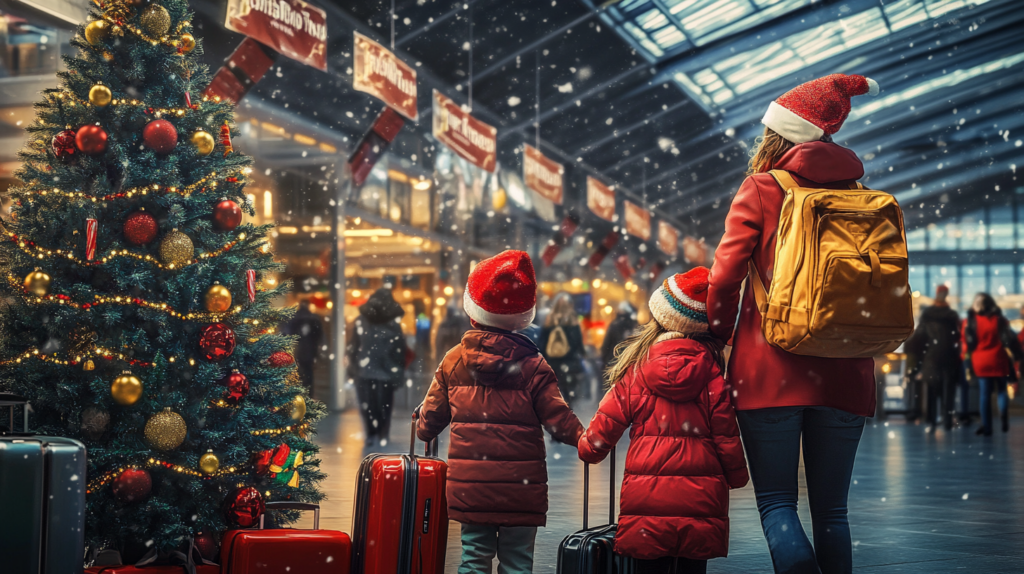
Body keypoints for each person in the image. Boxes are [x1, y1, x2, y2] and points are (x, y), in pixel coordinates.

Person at [706, 74, 880, 574]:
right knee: (833, 512)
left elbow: (724, 278)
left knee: (778, 503)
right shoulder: (862, 195)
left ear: (778, 136)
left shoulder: (762, 188)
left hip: (769, 369)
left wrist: (719, 336)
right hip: (848, 367)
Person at [417, 250, 584, 574]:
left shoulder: (454, 360)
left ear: (473, 312)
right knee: (518, 562)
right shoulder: (534, 364)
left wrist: (423, 426)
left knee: (474, 559)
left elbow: (432, 417)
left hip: (472, 486)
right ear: (522, 317)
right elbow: (558, 418)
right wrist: (585, 440)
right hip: (521, 487)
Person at [578, 268, 749, 574]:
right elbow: (726, 435)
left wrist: (589, 448)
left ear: (659, 318)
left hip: (647, 502)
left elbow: (604, 428)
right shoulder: (712, 374)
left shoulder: (636, 371)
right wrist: (737, 475)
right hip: (701, 501)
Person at [346, 287, 407, 446]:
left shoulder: (361, 321)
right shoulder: (393, 323)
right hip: (386, 370)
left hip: (365, 370)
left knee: (368, 405)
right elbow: (399, 350)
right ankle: (382, 433)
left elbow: (353, 346)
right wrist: (398, 369)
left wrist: (352, 366)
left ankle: (372, 433)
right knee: (384, 405)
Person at [962, 293, 1023, 436]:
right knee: (1002, 391)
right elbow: (1008, 339)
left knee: (985, 395)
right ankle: (1003, 417)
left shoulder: (972, 321)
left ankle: (987, 427)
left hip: (981, 361)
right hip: (998, 358)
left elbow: (969, 343)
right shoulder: (999, 320)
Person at [904, 285, 962, 429]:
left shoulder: (928, 314)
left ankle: (931, 421)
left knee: (931, 389)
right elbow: (958, 336)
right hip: (949, 355)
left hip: (931, 355)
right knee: (948, 389)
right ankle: (947, 420)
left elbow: (919, 337)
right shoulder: (951, 315)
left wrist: (913, 355)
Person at [540, 292, 586, 405]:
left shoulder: (550, 319)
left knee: (554, 387)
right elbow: (577, 341)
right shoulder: (572, 319)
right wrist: (581, 353)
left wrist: (542, 356)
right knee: (568, 387)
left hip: (552, 359)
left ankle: (554, 408)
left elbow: (543, 340)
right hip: (568, 360)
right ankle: (567, 406)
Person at [283, 296, 324, 398]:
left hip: (297, 350)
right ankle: (308, 395)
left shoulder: (294, 318)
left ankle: (299, 395)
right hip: (309, 351)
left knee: (297, 374)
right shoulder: (313, 319)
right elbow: (319, 337)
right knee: (308, 374)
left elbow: (287, 333)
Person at [600, 301, 638, 370]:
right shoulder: (634, 326)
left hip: (613, 363)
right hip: (629, 365)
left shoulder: (615, 325)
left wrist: (604, 361)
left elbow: (606, 346)